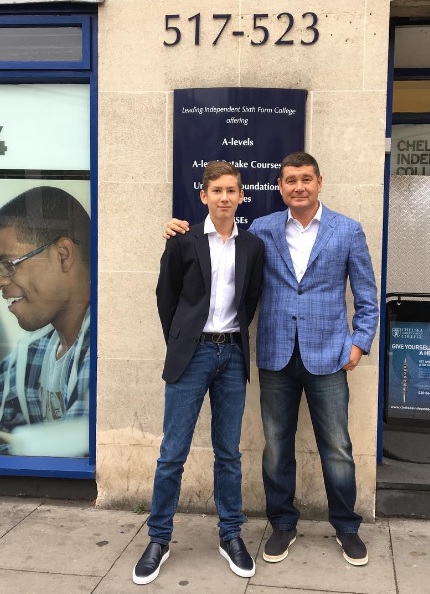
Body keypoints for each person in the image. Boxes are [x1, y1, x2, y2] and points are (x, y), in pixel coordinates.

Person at [165, 151, 379, 567]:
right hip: (276, 355)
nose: (299, 187)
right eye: (290, 180)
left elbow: (367, 296)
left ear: (319, 182)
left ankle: (346, 527)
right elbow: (220, 247)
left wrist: (358, 344)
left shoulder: (348, 230)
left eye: (306, 179)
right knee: (277, 447)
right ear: (279, 187)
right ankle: (282, 523)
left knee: (337, 446)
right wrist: (176, 229)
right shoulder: (262, 230)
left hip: (329, 355)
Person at [133, 161, 265, 585]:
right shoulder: (182, 241)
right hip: (192, 356)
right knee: (173, 452)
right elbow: (166, 297)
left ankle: (231, 535)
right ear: (204, 195)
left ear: (241, 196)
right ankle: (158, 539)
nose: (225, 197)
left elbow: (250, 299)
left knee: (228, 453)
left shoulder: (252, 247)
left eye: (232, 190)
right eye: (217, 190)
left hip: (232, 356)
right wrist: (181, 342)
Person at [0, 186, 91, 456]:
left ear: (63, 255)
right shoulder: (36, 346)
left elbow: (75, 454)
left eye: (8, 264)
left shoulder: (103, 349)